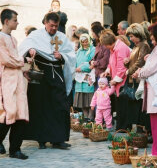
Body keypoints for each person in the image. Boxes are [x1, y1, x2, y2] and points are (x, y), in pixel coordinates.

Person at [19, 12, 76, 150]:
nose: (54, 29)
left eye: (56, 26)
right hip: (40, 73)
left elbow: (71, 55)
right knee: (40, 105)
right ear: (45, 23)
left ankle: (59, 139)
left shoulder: (62, 37)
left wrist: (62, 56)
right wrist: (30, 50)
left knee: (60, 104)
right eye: (51, 26)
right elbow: (23, 48)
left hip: (56, 72)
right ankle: (41, 138)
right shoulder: (35, 36)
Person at [136, 22, 157, 158]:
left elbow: (152, 67)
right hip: (153, 86)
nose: (151, 38)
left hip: (155, 87)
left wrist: (140, 73)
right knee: (155, 119)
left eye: (152, 35)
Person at [0, 9, 29, 159]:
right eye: (15, 20)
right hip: (6, 81)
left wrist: (23, 70)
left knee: (21, 115)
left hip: (18, 81)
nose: (17, 22)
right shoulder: (0, 38)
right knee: (8, 114)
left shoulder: (14, 39)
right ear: (6, 21)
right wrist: (22, 61)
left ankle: (15, 149)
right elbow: (6, 60)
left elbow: (15, 61)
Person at [120, 23, 150, 130]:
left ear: (138, 34)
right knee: (134, 106)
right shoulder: (136, 46)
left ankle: (141, 131)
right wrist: (126, 63)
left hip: (138, 78)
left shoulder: (144, 46)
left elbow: (140, 62)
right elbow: (134, 61)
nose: (130, 38)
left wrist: (128, 71)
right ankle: (137, 130)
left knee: (138, 106)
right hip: (133, 78)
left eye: (132, 36)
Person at [100, 30, 130, 129]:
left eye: (105, 45)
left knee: (123, 105)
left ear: (109, 43)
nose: (105, 47)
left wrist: (115, 80)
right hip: (117, 80)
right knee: (119, 104)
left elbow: (122, 68)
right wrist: (108, 70)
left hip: (123, 81)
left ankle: (123, 128)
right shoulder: (113, 48)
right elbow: (111, 62)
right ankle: (121, 127)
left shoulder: (120, 48)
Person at [73, 34, 95, 121]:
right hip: (79, 78)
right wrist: (75, 68)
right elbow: (75, 61)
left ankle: (90, 117)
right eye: (83, 42)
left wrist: (82, 68)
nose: (85, 43)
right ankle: (86, 118)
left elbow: (91, 63)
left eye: (86, 42)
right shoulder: (79, 51)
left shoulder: (92, 50)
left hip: (88, 76)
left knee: (90, 99)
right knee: (82, 100)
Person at [90, 24, 110, 89]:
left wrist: (94, 63)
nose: (92, 34)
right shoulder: (98, 44)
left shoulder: (105, 45)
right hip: (97, 74)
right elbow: (95, 57)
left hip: (103, 75)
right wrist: (91, 62)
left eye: (92, 32)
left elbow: (105, 61)